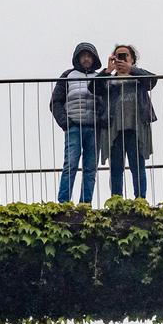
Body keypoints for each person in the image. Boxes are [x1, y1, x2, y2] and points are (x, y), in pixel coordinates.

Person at [91, 44, 157, 199]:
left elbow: (152, 81)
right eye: (118, 55)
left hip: (137, 128)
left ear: (132, 59)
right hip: (114, 129)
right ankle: (117, 200)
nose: (121, 59)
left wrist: (131, 69)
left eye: (125, 55)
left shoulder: (140, 78)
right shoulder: (109, 79)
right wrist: (107, 71)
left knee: (137, 166)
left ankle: (140, 199)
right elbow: (93, 88)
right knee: (116, 168)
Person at [50, 42, 103, 203]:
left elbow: (106, 101)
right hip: (74, 126)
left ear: (94, 59)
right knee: (70, 165)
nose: (86, 59)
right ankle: (64, 202)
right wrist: (65, 122)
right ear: (78, 58)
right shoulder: (67, 75)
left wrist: (101, 119)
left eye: (89, 56)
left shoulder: (100, 78)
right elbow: (55, 102)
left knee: (90, 169)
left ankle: (85, 204)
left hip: (94, 127)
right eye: (83, 56)